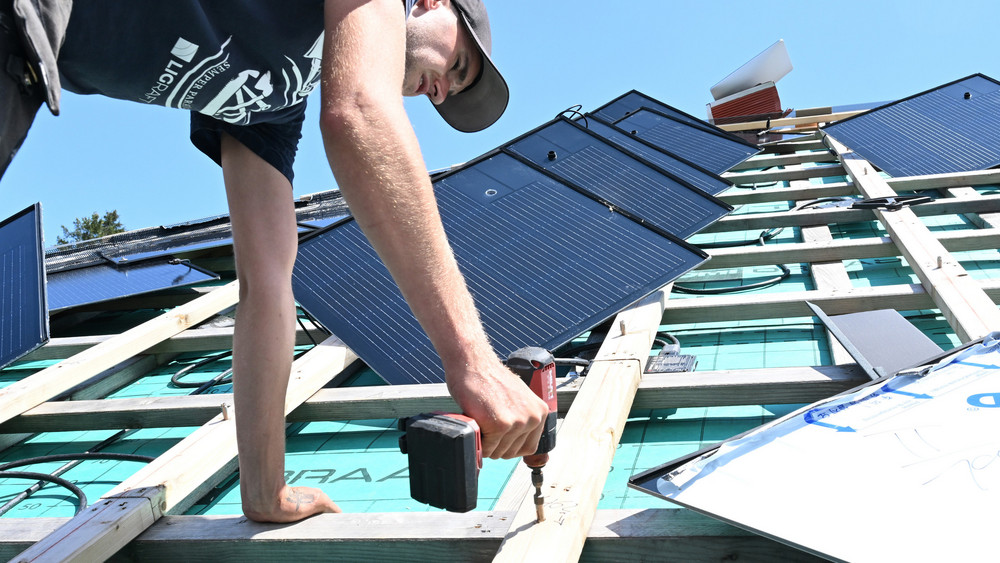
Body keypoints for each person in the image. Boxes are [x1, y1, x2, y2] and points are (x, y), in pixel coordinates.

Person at [1, 0, 549, 523]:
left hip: (22, 59)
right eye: (458, 64)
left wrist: (265, 490)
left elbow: (266, 288)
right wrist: (473, 361)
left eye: (452, 91)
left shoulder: (274, 102)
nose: (443, 89)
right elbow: (359, 112)